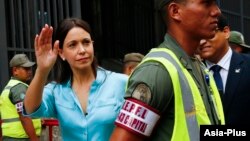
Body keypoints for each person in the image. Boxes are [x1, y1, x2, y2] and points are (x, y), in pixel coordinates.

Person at [110, 0, 224, 140]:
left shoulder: (199, 65)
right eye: (206, 3)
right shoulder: (157, 71)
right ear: (175, 11)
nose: (216, 11)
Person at [23, 18, 128, 141]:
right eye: (72, 45)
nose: (82, 50)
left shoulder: (121, 82)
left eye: (86, 42)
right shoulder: (56, 91)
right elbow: (31, 109)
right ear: (61, 53)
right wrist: (42, 70)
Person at [198, 15, 250, 125]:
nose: (201, 42)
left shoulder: (247, 65)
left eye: (209, 34)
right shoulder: (190, 72)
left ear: (226, 32)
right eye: (197, 37)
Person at [0, 54, 41, 141]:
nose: (29, 71)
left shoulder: (8, 87)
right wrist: (34, 139)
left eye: (30, 68)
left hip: (10, 137)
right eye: (26, 69)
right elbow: (24, 117)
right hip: (21, 138)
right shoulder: (19, 88)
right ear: (15, 70)